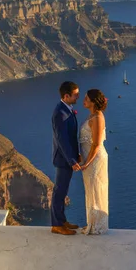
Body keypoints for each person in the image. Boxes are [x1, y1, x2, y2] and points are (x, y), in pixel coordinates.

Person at [50, 81, 81, 235]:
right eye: (76, 94)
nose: (78, 97)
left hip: (67, 158)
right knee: (59, 192)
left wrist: (77, 155)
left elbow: (71, 138)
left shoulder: (66, 109)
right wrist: (72, 160)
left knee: (63, 191)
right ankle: (56, 225)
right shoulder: (60, 114)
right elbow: (62, 140)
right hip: (63, 160)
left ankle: (62, 221)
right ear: (66, 96)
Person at [79, 89, 109, 235]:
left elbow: (96, 144)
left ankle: (97, 226)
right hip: (89, 158)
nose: (83, 100)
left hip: (95, 160)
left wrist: (86, 163)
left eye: (86, 98)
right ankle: (92, 223)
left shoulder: (97, 117)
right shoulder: (93, 115)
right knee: (91, 189)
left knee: (96, 189)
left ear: (92, 101)